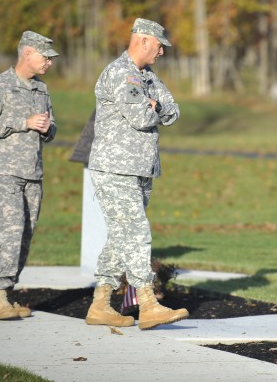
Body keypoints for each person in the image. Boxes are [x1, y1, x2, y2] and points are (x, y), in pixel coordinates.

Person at [85, 18, 188, 330]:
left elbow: (173, 110)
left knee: (120, 238)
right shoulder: (121, 73)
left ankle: (100, 305)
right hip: (116, 169)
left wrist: (155, 106)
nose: (162, 52)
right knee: (137, 233)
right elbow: (142, 116)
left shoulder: (146, 76)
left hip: (139, 169)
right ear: (144, 41)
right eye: (159, 45)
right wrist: (154, 107)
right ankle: (147, 302)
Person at [0, 31, 59, 320]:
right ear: (27, 54)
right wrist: (23, 122)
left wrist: (48, 128)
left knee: (24, 236)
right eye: (45, 57)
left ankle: (8, 295)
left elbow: (51, 128)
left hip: (32, 173)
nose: (49, 62)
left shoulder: (42, 90)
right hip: (3, 171)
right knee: (10, 232)